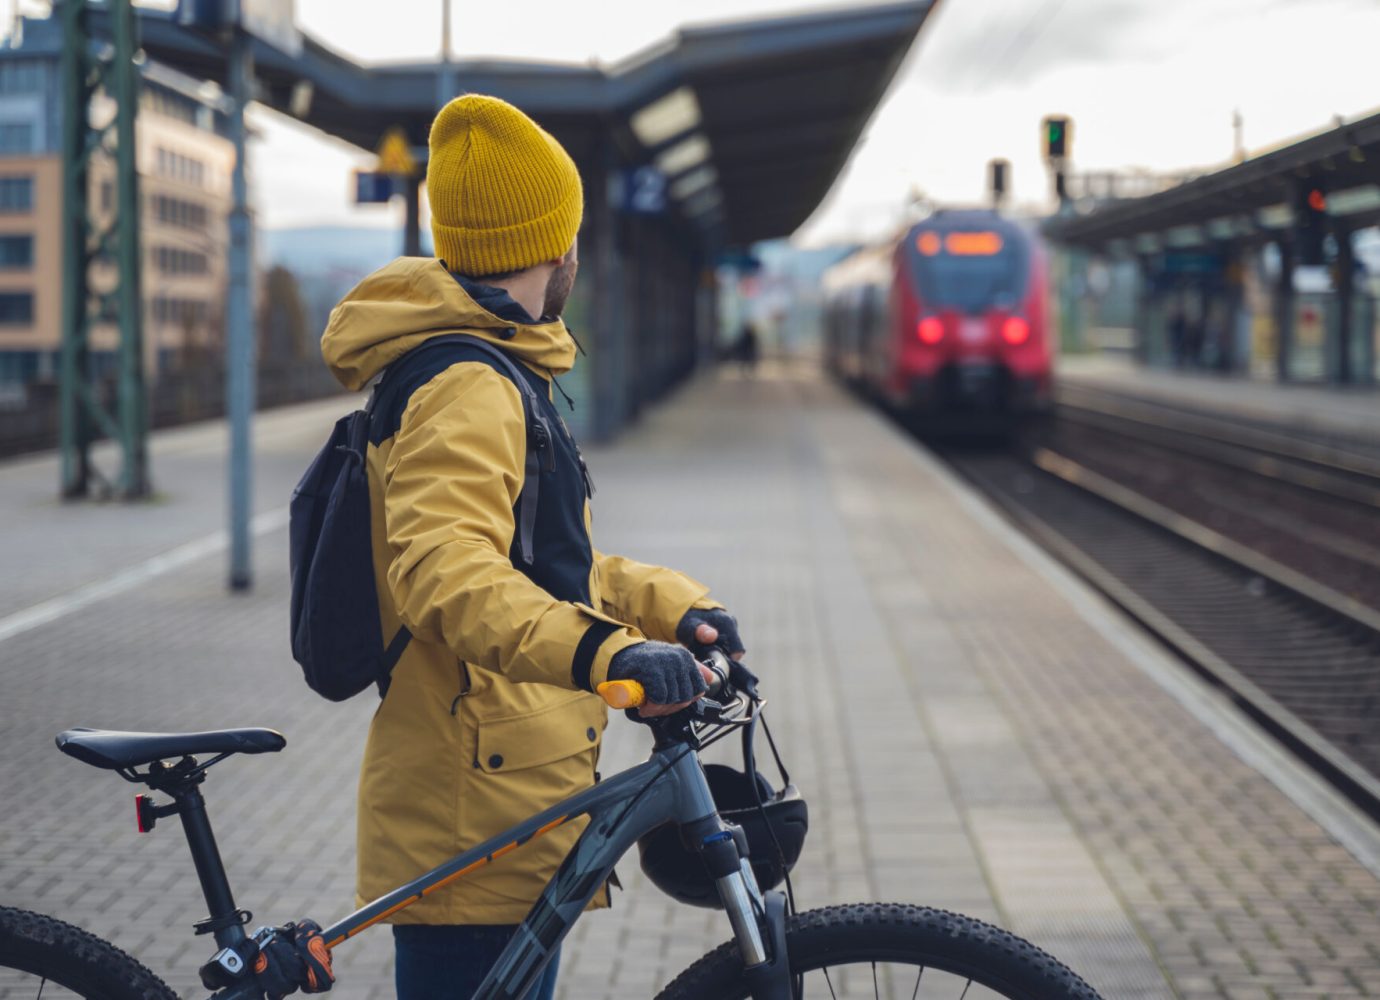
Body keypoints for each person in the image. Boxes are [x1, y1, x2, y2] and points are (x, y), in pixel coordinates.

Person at [320, 95, 746, 999]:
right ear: (557, 245)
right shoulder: (470, 384)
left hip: (507, 790)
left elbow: (542, 570)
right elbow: (448, 575)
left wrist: (671, 608)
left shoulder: (495, 367)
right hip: (473, 814)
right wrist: (607, 650)